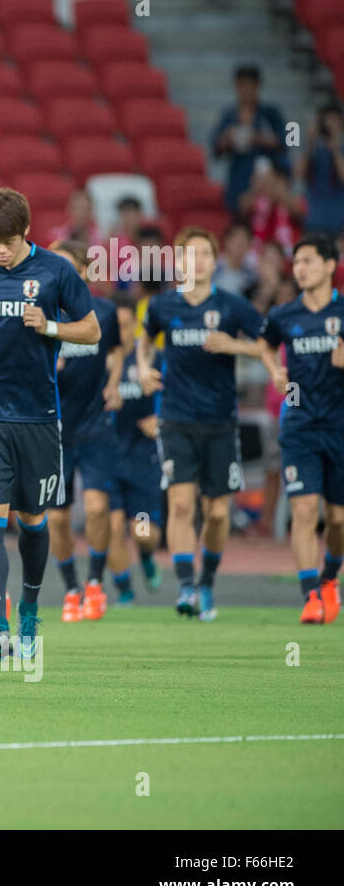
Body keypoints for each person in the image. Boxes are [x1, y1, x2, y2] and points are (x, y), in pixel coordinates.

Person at [0, 188, 101, 657]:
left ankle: (31, 614)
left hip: (37, 414)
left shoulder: (57, 270)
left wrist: (51, 327)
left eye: (8, 242)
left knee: (34, 519)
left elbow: (92, 330)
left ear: (26, 234)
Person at [138, 226, 265, 621]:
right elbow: (145, 340)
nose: (198, 262)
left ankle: (208, 579)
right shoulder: (163, 306)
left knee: (216, 514)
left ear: (215, 260)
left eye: (205, 255)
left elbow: (266, 343)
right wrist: (143, 368)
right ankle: (186, 586)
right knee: (180, 504)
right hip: (176, 419)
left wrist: (236, 345)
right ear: (178, 262)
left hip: (221, 423)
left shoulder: (232, 306)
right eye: (190, 255)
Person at [257, 234, 344, 624]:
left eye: (309, 260)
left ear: (330, 266)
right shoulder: (283, 315)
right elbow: (264, 344)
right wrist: (275, 369)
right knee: (305, 510)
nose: (301, 268)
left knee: (338, 519)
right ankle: (311, 596)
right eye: (297, 262)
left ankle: (328, 578)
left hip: (339, 427)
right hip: (298, 425)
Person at [46, 239, 124, 623]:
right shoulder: (37, 315)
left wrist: (116, 381)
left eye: (67, 266)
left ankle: (95, 583)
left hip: (95, 425)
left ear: (83, 271)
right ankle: (71, 589)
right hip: (53, 428)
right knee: (57, 519)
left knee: (97, 508)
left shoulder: (104, 312)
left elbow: (116, 350)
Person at [105, 292, 164, 606]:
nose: (121, 333)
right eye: (116, 326)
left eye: (127, 327)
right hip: (108, 459)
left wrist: (159, 418)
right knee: (112, 528)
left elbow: (172, 393)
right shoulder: (101, 361)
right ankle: (124, 589)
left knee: (141, 531)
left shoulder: (150, 360)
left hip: (142, 460)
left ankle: (145, 554)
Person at [211, 65, 289, 216]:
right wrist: (227, 140)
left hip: (265, 180)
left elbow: (288, 142)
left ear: (258, 86)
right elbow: (215, 147)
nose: (246, 90)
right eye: (242, 85)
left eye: (250, 85)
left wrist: (259, 139)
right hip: (238, 177)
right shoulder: (229, 115)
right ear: (236, 87)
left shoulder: (271, 113)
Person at [296, 103, 344, 236]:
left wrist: (336, 149)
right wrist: (309, 144)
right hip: (313, 220)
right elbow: (297, 173)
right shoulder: (313, 149)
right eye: (327, 120)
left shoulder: (341, 150)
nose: (331, 126)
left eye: (335, 120)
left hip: (338, 223)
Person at [212, 222, 258, 295]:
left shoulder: (251, 276)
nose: (239, 244)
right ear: (227, 241)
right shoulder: (211, 269)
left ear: (249, 245)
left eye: (244, 239)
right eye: (236, 238)